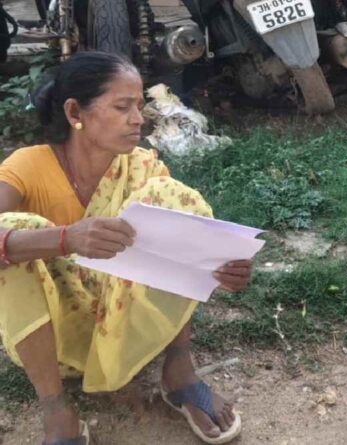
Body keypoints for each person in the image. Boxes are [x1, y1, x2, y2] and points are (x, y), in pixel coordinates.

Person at [0, 52, 251, 445]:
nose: (139, 119)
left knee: (170, 198)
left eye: (139, 106)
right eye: (122, 107)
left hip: (130, 325)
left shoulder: (142, 168)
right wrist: (66, 238)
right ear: (74, 111)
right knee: (14, 230)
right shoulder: (27, 166)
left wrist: (220, 268)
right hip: (55, 336)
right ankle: (56, 410)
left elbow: (182, 245)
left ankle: (179, 370)